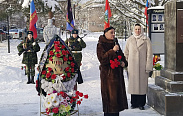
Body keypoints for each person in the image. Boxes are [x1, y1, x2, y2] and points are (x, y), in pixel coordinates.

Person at [97, 26, 128, 116]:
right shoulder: (101, 44)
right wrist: (112, 51)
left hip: (117, 76)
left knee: (116, 102)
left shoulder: (115, 43)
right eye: (111, 32)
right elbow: (102, 59)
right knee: (110, 102)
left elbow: (121, 56)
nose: (113, 34)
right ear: (105, 33)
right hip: (108, 77)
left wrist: (124, 63)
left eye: (114, 32)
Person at [124, 23, 153, 110]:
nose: (137, 31)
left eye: (139, 29)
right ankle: (134, 103)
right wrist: (125, 64)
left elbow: (149, 54)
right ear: (134, 30)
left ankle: (141, 103)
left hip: (142, 66)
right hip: (132, 66)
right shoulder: (130, 40)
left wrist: (148, 66)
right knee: (134, 85)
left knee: (142, 85)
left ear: (142, 30)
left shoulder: (146, 39)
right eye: (136, 29)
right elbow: (126, 52)